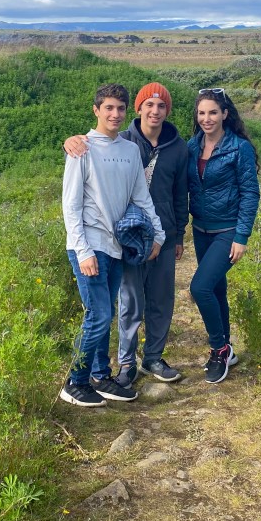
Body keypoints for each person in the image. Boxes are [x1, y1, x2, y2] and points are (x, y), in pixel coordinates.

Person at [65, 82, 189, 385]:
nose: (155, 111)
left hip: (149, 238)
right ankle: (113, 368)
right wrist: (71, 140)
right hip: (115, 241)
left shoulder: (171, 147)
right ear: (140, 108)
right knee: (118, 307)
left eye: (161, 106)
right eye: (149, 104)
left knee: (155, 301)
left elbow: (170, 193)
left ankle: (143, 362)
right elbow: (73, 201)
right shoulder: (108, 143)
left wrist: (170, 235)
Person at [187, 87, 260, 384]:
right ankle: (227, 349)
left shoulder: (238, 147)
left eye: (213, 112)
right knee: (216, 289)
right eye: (202, 113)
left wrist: (241, 236)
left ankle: (219, 347)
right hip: (201, 229)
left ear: (225, 114)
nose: (207, 118)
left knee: (199, 288)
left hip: (227, 230)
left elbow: (250, 193)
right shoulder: (192, 146)